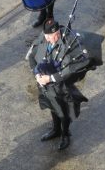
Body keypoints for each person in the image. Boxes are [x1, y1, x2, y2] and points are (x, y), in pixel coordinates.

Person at [28, 19, 95, 150]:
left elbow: (69, 70)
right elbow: (31, 57)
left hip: (61, 86)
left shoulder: (65, 44)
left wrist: (50, 78)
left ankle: (65, 135)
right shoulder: (41, 42)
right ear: (46, 36)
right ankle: (56, 130)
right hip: (46, 87)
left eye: (58, 34)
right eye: (53, 36)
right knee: (53, 107)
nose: (57, 37)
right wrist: (36, 74)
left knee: (64, 112)